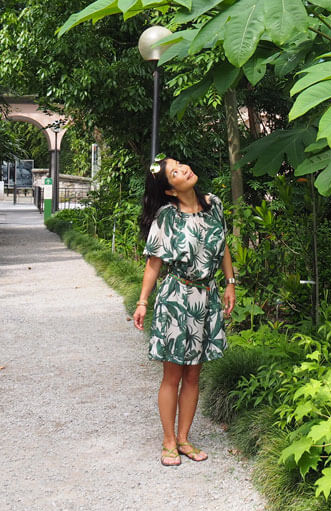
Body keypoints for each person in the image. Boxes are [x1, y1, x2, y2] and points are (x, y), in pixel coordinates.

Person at [133, 156, 236, 467]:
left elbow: (223, 246)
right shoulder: (166, 217)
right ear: (169, 190)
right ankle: (167, 440)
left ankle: (183, 439)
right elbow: (154, 264)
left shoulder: (213, 203)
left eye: (180, 164)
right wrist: (142, 301)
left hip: (207, 296)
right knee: (173, 375)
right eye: (174, 172)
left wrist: (230, 282)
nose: (183, 169)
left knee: (194, 374)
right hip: (178, 298)